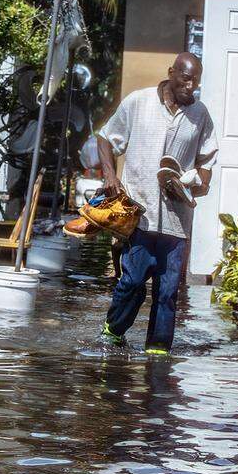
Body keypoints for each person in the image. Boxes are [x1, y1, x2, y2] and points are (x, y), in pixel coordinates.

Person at [95, 52, 218, 354]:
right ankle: (113, 333)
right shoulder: (139, 102)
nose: (192, 86)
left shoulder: (200, 115)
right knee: (132, 282)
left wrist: (195, 185)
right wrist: (110, 175)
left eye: (197, 81)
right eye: (187, 78)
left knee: (167, 292)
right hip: (140, 214)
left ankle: (159, 353)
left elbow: (206, 163)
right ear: (171, 72)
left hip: (177, 222)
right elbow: (105, 138)